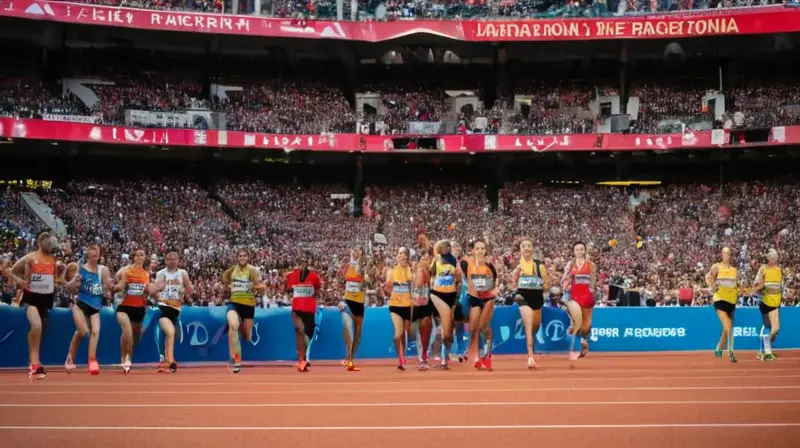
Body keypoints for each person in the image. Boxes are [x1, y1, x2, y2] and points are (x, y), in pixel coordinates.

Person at [1, 232, 67, 379]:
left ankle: (33, 360)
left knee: (40, 330)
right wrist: (21, 282)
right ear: (41, 242)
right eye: (48, 243)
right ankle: (34, 363)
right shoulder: (30, 257)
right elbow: (11, 272)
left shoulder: (53, 260)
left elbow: (56, 281)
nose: (51, 246)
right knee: (36, 326)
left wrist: (61, 273)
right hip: (31, 300)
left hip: (46, 301)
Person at [64, 245, 113, 375]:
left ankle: (92, 360)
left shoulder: (103, 270)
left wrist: (112, 288)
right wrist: (74, 281)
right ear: (88, 255)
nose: (95, 254)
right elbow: (68, 287)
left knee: (96, 331)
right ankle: (70, 358)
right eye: (93, 252)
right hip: (81, 304)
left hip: (95, 306)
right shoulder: (80, 269)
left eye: (97, 252)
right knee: (82, 331)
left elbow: (109, 286)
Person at [114, 249, 160, 374]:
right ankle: (124, 358)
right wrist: (115, 287)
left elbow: (148, 289)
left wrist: (152, 291)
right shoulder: (126, 271)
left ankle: (129, 358)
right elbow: (119, 284)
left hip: (139, 308)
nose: (140, 257)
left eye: (142, 255)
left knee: (135, 337)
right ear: (133, 257)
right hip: (124, 306)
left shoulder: (146, 274)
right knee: (127, 331)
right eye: (137, 255)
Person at [221, 249, 264, 374]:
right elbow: (224, 284)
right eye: (240, 255)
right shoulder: (231, 271)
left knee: (247, 337)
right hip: (234, 303)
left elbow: (261, 288)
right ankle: (237, 360)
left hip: (248, 305)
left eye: (245, 255)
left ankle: (244, 333)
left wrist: (255, 287)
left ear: (248, 257)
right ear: (237, 258)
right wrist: (229, 288)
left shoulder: (253, 271)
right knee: (233, 325)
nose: (242, 257)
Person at [512, 239, 551, 369]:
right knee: (529, 328)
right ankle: (530, 357)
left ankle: (531, 349)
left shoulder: (539, 265)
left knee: (534, 326)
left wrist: (538, 283)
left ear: (532, 248)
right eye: (524, 246)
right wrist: (516, 275)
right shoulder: (517, 265)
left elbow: (546, 285)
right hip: (522, 296)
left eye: (529, 246)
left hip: (536, 298)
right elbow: (512, 284)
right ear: (520, 249)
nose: (527, 248)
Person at [461, 239, 498, 371]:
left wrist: (494, 289)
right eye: (477, 249)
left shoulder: (490, 266)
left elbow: (495, 282)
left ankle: (487, 356)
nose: (480, 251)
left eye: (482, 248)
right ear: (473, 251)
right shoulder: (466, 264)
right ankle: (478, 356)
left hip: (488, 298)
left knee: (484, 326)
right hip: (474, 298)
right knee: (473, 328)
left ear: (486, 250)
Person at [155, 250, 194, 373]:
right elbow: (156, 290)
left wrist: (186, 292)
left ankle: (165, 361)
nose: (172, 261)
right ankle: (171, 361)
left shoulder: (182, 273)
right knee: (170, 333)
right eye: (169, 258)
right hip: (163, 307)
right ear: (165, 260)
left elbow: (190, 289)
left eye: (174, 258)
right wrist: (159, 295)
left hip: (176, 309)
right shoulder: (161, 273)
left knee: (171, 335)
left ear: (178, 260)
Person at [561, 241, 597, 362]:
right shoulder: (570, 265)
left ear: (585, 250)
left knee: (587, 321)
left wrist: (592, 291)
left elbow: (593, 279)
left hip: (586, 295)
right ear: (574, 251)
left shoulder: (591, 265)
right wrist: (566, 285)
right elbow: (564, 279)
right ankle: (577, 341)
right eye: (577, 249)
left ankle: (584, 341)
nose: (580, 251)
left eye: (582, 249)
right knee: (575, 322)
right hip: (574, 296)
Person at [429, 239, 461, 369]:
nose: (446, 248)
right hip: (437, 293)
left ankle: (444, 356)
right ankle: (441, 357)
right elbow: (431, 275)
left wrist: (457, 293)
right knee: (444, 323)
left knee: (448, 328)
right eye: (444, 246)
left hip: (451, 295)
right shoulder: (436, 260)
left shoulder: (454, 261)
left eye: (448, 246)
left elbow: (458, 279)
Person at [287, 256, 322, 372]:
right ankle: (302, 359)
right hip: (297, 309)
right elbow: (288, 289)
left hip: (310, 309)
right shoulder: (293, 275)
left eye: (305, 261)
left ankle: (305, 357)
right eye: (301, 261)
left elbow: (318, 288)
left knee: (308, 333)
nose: (303, 264)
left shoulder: (314, 276)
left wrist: (311, 294)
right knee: (300, 331)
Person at [705, 246, 739, 363]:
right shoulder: (716, 267)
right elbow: (708, 277)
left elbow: (736, 283)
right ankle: (731, 353)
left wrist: (741, 289)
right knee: (728, 325)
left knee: (727, 328)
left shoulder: (734, 270)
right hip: (719, 300)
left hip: (731, 301)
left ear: (730, 255)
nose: (726, 255)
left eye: (728, 253)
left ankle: (719, 348)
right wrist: (712, 286)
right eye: (724, 253)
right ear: (721, 254)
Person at [338, 246, 368, 372]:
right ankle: (348, 360)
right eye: (354, 250)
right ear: (351, 252)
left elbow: (368, 284)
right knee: (349, 333)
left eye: (358, 250)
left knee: (357, 336)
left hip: (359, 303)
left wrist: (363, 276)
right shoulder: (346, 266)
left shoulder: (366, 268)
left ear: (362, 253)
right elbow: (338, 282)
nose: (356, 252)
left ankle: (348, 359)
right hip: (347, 303)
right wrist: (339, 299)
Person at [385, 247, 413, 371]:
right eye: (400, 253)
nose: (402, 255)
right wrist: (388, 286)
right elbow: (387, 290)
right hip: (395, 305)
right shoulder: (391, 271)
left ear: (407, 256)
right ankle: (401, 359)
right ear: (397, 256)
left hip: (408, 306)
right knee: (398, 334)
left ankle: (404, 354)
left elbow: (416, 288)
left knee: (405, 334)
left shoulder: (411, 270)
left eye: (404, 253)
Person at [753, 249, 783, 361]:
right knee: (768, 326)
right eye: (773, 258)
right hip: (765, 302)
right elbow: (756, 283)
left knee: (775, 330)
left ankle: (766, 348)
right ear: (769, 259)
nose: (775, 260)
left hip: (776, 302)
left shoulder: (780, 270)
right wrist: (761, 285)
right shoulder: (763, 269)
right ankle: (764, 351)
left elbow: (780, 286)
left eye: (776, 258)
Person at [412, 247, 433, 370]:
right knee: (420, 328)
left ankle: (423, 355)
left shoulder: (432, 271)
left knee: (427, 326)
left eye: (427, 259)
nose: (424, 261)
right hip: (415, 303)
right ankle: (419, 356)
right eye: (422, 259)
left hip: (428, 303)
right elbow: (418, 283)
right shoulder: (416, 269)